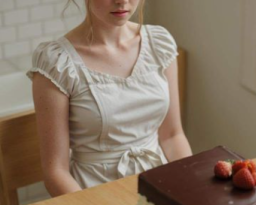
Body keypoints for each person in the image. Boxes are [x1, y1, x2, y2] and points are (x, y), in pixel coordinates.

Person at [26, 0, 192, 197]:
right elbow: (56, 172)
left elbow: (172, 136)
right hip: (93, 192)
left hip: (159, 184)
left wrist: (188, 189)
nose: (121, 1)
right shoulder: (57, 62)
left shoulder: (159, 43)